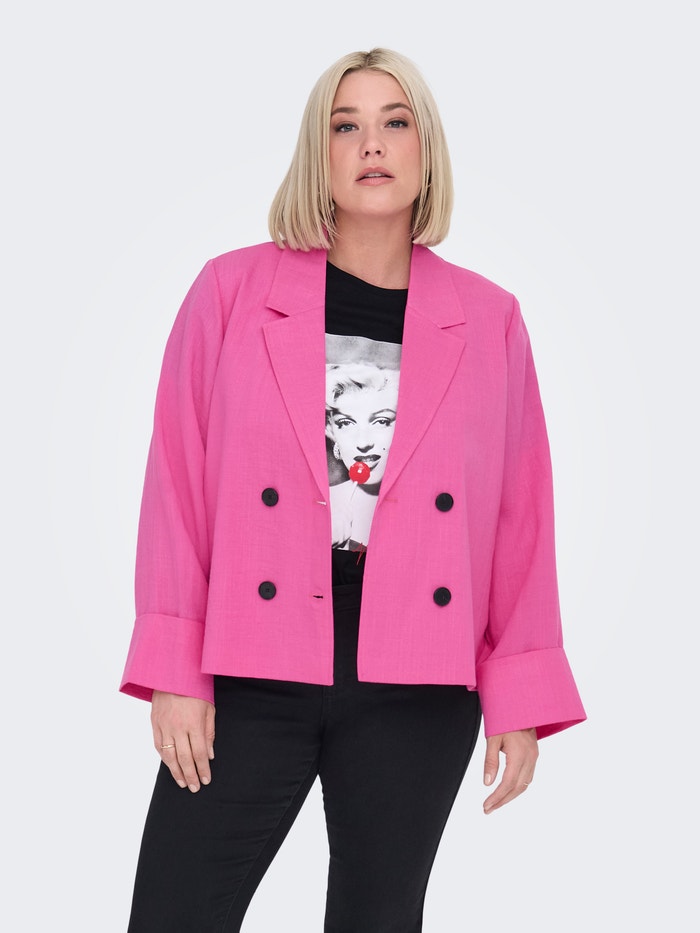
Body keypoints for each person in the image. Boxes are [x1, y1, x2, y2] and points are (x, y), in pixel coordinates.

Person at [121, 47, 586, 932]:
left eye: (394, 122)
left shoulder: (490, 318)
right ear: (320, 153)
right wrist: (175, 669)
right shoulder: (230, 292)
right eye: (346, 126)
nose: (372, 143)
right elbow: (175, 484)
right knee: (174, 911)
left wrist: (520, 695)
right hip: (252, 656)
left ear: (424, 149)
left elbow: (521, 516)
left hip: (420, 667)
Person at [325, 362, 400, 550]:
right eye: (346, 423)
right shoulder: (318, 506)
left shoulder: (425, 504)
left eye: (381, 421)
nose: (363, 442)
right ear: (331, 430)